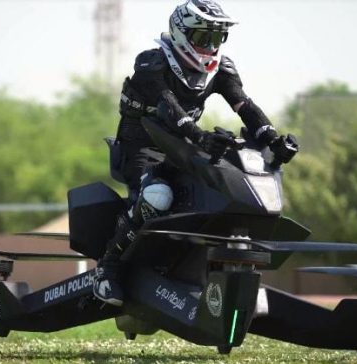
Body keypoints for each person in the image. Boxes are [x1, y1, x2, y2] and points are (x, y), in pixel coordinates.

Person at [92, 0, 298, 306]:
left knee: (225, 193)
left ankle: (222, 275)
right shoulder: (151, 63)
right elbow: (167, 106)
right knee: (158, 196)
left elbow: (245, 106)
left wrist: (272, 138)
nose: (210, 47)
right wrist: (200, 137)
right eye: (204, 38)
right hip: (142, 148)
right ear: (181, 33)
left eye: (217, 39)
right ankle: (106, 271)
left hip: (182, 147)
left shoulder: (222, 69)